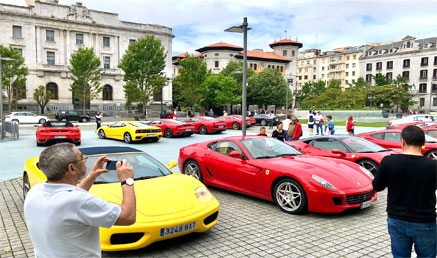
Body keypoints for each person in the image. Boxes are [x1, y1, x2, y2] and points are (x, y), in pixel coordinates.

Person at [23, 142, 137, 257]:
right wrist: (127, 180)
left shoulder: (35, 191)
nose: (85, 160)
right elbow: (128, 217)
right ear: (71, 168)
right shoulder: (79, 201)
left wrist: (92, 175)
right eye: (82, 157)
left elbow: (71, 197)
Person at [372, 125, 436, 258]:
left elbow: (377, 186)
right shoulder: (433, 166)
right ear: (423, 143)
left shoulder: (389, 162)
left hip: (397, 219)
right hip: (425, 221)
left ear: (402, 142)